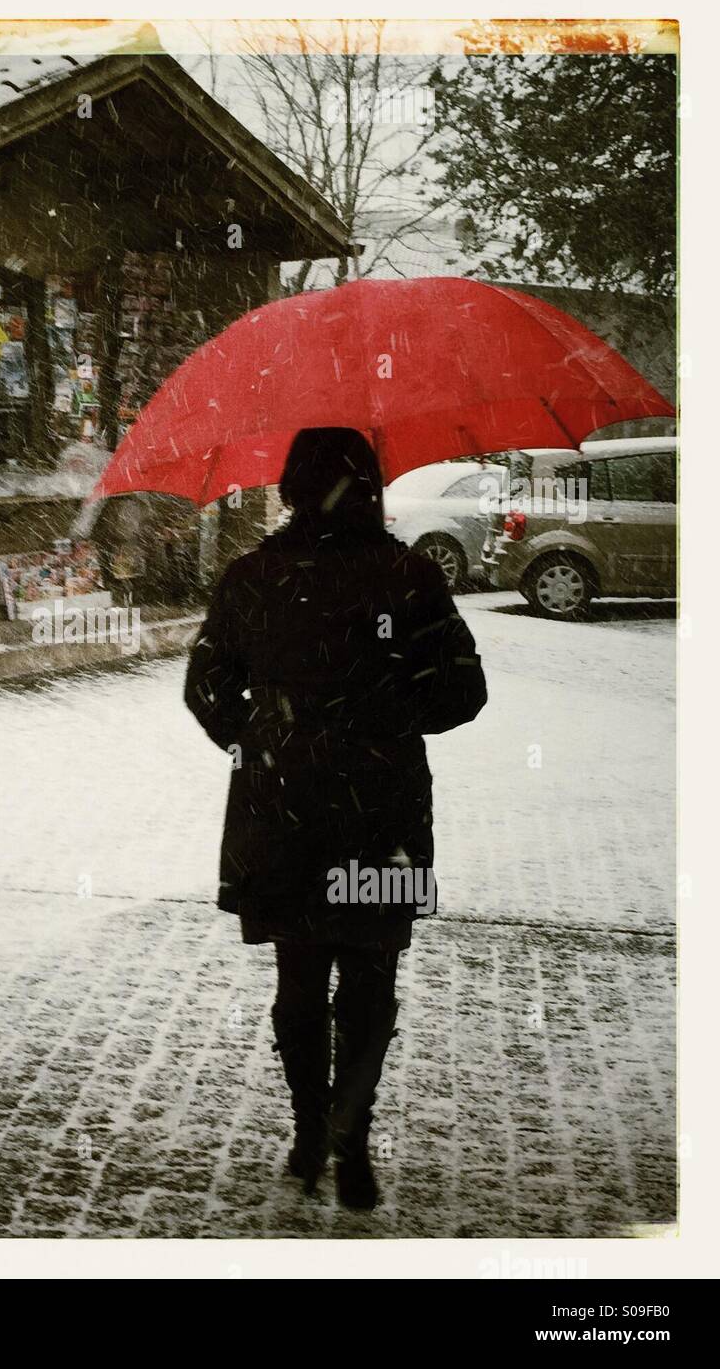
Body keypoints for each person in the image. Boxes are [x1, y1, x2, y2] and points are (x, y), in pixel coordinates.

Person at [184, 427, 487, 1210]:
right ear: (373, 486)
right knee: (370, 977)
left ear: (288, 488)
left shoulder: (253, 577)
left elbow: (206, 689)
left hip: (282, 803)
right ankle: (352, 1138)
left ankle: (309, 1131)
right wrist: (385, 720)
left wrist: (261, 736)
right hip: (377, 808)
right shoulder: (409, 576)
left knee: (300, 973)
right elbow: (463, 692)